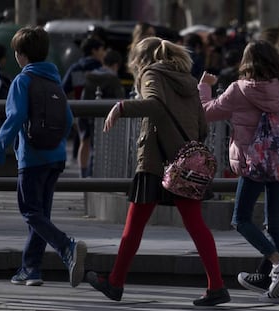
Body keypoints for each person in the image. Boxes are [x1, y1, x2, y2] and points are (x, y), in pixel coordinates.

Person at [85, 37, 230, 307]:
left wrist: (122, 107)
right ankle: (216, 286)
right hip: (183, 164)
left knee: (135, 225)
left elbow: (155, 105)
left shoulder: (152, 74)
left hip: (155, 161)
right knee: (196, 225)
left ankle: (115, 282)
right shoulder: (186, 79)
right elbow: (202, 127)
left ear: (141, 60)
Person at [198, 40, 279, 300]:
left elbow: (205, 112)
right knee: (276, 221)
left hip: (252, 163)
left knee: (240, 219)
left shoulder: (238, 90)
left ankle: (278, 261)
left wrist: (204, 87)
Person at [0, 26, 87, 287]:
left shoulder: (23, 81)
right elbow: (67, 119)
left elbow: (15, 117)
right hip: (55, 157)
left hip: (32, 158)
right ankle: (31, 268)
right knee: (41, 214)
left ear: (21, 55)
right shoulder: (53, 80)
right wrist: (54, 141)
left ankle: (66, 246)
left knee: (30, 211)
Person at [62, 37, 106, 178]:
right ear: (94, 50)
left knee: (84, 140)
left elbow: (63, 88)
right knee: (99, 142)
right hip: (99, 109)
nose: (103, 53)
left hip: (81, 109)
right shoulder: (101, 68)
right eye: (102, 49)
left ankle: (83, 175)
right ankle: (95, 173)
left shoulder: (76, 67)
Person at [80, 49, 125, 176]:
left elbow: (84, 98)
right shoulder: (113, 80)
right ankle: (98, 178)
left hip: (89, 116)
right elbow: (119, 100)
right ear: (116, 65)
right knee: (104, 150)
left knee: (91, 147)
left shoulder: (90, 77)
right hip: (107, 119)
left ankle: (87, 175)